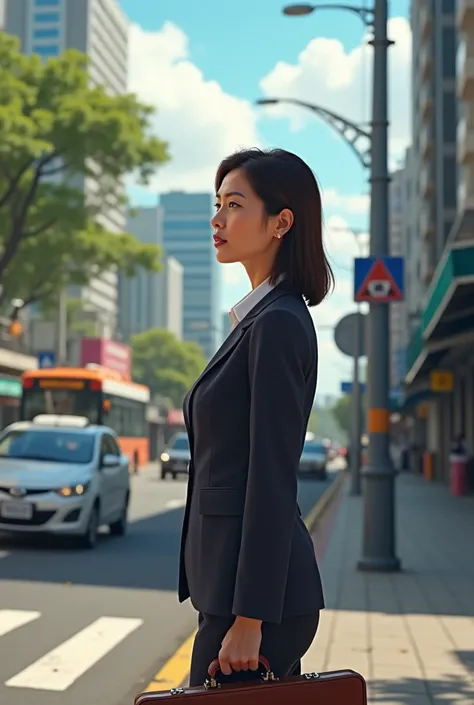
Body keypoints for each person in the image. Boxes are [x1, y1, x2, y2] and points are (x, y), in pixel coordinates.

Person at [178, 148, 334, 687]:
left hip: (256, 609)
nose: (217, 220)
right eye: (217, 205)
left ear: (281, 222)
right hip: (232, 594)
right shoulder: (259, 319)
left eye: (235, 205)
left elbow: (271, 476)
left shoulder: (279, 325)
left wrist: (251, 619)